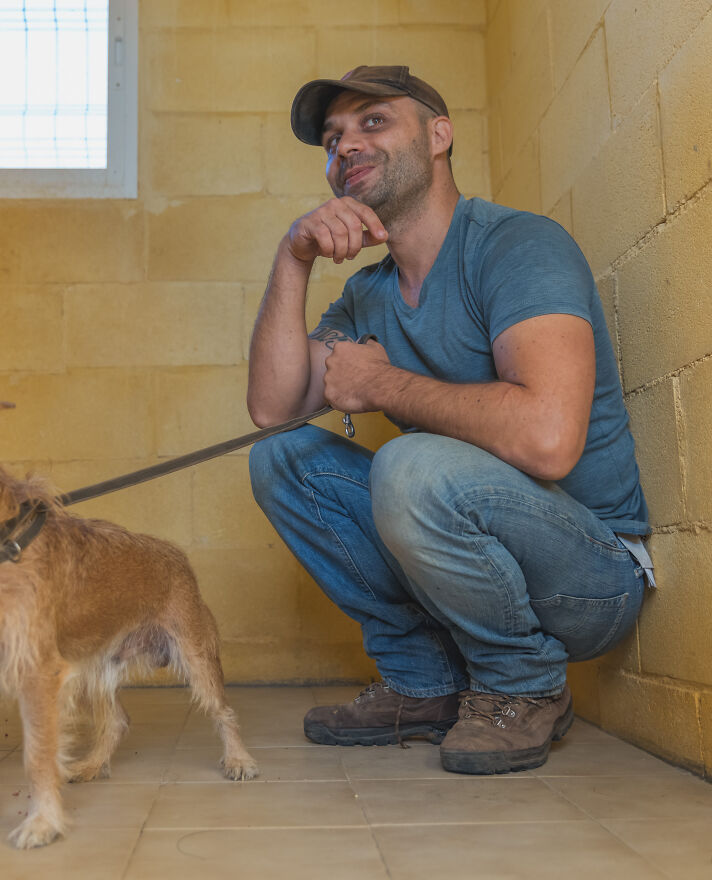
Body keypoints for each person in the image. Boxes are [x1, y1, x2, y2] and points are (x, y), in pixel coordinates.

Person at [246, 65, 653, 775]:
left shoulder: (516, 246)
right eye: (334, 138)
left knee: (411, 463)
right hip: (481, 561)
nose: (347, 146)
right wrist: (294, 256)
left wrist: (383, 383)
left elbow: (549, 441)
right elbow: (271, 410)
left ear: (439, 136)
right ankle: (424, 683)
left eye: (374, 121)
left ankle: (520, 686)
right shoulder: (367, 293)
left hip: (592, 575)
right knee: (279, 459)